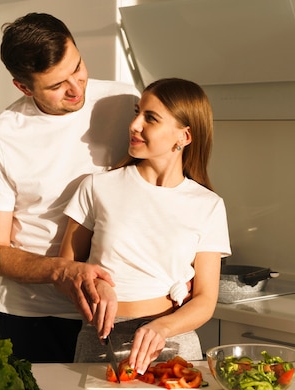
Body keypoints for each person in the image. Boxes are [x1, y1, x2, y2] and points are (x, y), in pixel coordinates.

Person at [0, 12, 140, 363]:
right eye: (57, 85)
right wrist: (63, 270)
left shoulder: (124, 101)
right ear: (24, 87)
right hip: (34, 316)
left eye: (77, 67)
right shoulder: (3, 135)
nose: (76, 88)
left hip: (124, 307)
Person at [59, 78, 231, 374]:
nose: (134, 124)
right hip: (101, 341)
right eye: (136, 112)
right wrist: (94, 283)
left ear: (184, 137)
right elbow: (64, 268)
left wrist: (162, 327)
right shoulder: (97, 187)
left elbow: (204, 299)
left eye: (150, 118)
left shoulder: (208, 205)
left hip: (172, 342)